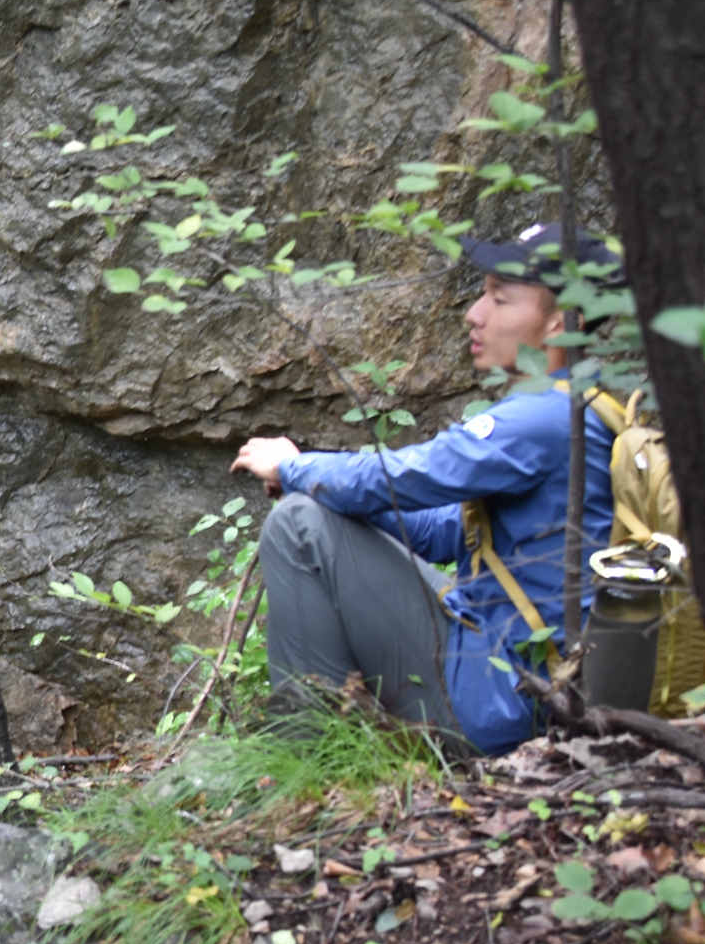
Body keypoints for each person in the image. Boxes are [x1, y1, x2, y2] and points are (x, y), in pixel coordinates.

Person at [231, 221, 621, 756]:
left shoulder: (544, 420)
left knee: (296, 526)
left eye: (500, 300)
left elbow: (405, 477)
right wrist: (324, 491)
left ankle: (308, 756)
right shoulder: (588, 408)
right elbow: (447, 532)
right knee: (314, 512)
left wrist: (297, 468)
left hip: (494, 708)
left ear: (558, 324)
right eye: (482, 294)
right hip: (515, 682)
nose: (474, 314)